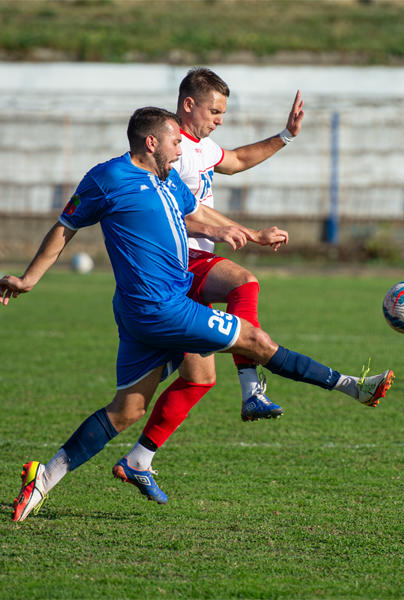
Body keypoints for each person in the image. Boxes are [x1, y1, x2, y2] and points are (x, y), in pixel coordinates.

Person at [2, 107, 393, 519]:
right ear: (151, 142)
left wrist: (242, 232)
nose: (180, 147)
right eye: (174, 141)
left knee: (127, 411)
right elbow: (66, 225)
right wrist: (29, 279)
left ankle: (43, 479)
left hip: (150, 310)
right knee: (257, 341)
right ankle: (351, 387)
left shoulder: (167, 179)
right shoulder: (107, 179)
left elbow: (197, 214)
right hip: (161, 308)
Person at [117, 67, 306, 486]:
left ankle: (138, 460)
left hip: (194, 261)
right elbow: (170, 214)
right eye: (214, 111)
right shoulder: (171, 153)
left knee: (198, 378)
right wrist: (248, 233)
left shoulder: (201, 148)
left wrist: (286, 136)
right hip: (179, 265)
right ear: (189, 105)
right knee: (245, 282)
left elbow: (236, 160)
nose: (220, 119)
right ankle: (251, 385)